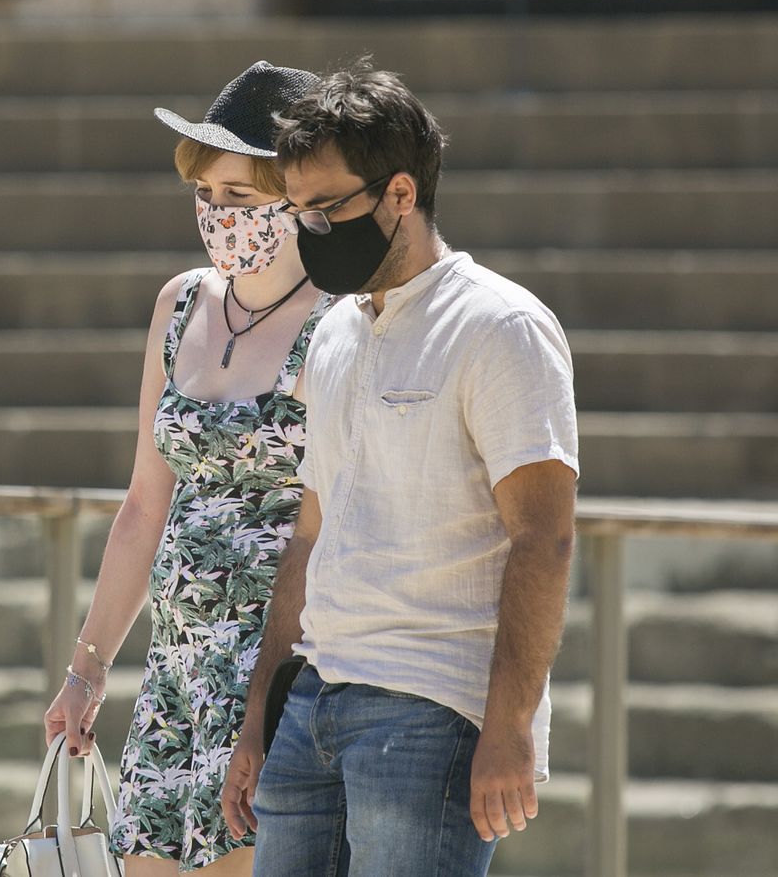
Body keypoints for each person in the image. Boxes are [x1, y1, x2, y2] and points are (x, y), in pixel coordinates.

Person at [221, 62, 581, 877]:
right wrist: (258, 717)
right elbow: (310, 536)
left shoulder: (501, 326)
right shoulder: (334, 333)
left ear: (401, 194)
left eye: (330, 207)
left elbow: (544, 538)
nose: (312, 230)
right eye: (299, 211)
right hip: (312, 701)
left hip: (431, 711)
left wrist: (511, 724)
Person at [43, 60, 333, 876]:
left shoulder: (340, 325)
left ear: (292, 196)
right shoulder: (179, 305)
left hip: (275, 680)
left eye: (240, 197)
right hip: (178, 675)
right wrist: (87, 669)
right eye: (205, 195)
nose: (217, 216)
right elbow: (145, 502)